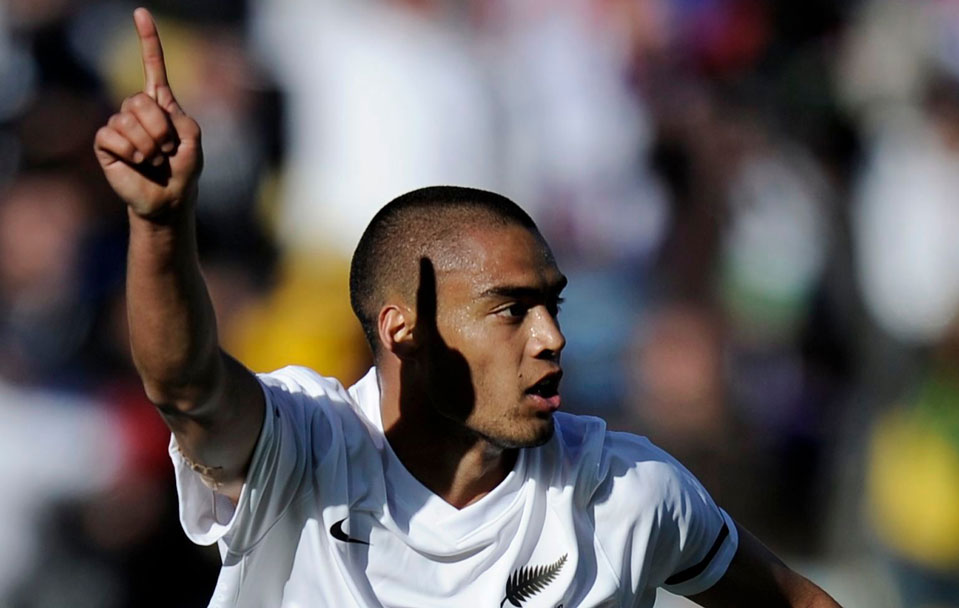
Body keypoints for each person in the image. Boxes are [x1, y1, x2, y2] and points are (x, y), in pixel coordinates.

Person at [93, 8, 841, 607]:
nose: (552, 338)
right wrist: (160, 225)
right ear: (403, 329)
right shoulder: (303, 447)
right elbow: (185, 385)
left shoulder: (628, 492)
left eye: (551, 305)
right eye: (512, 311)